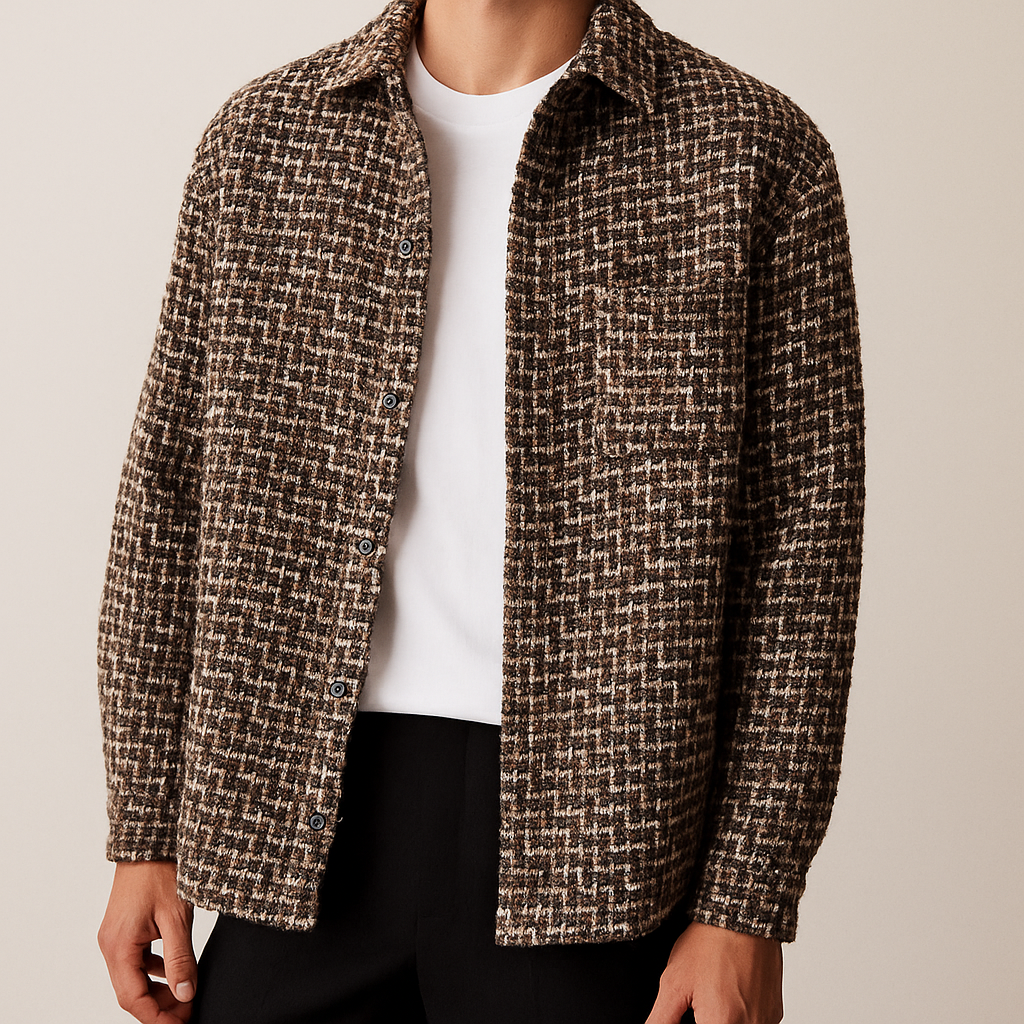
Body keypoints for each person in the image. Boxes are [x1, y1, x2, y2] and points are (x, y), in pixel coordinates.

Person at [95, 0, 866, 1021]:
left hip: (603, 840)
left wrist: (745, 898)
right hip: (294, 823)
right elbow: (167, 493)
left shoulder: (751, 153)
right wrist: (146, 825)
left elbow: (803, 560)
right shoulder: (264, 142)